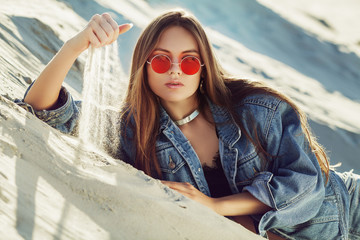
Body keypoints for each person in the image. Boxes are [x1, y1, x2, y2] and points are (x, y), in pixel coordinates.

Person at [17, 9, 359, 240]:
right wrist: (75, 45)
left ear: (205, 68)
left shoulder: (258, 111)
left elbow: (306, 184)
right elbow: (44, 111)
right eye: (162, 60)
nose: (175, 70)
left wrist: (214, 206)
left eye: (189, 61)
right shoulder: (134, 132)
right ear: (145, 67)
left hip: (347, 208)